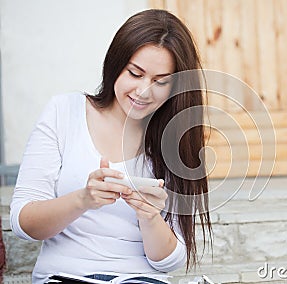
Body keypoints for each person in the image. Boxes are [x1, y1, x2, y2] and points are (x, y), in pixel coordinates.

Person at [10, 9, 212, 283]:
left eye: (160, 81)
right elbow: (23, 222)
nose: (144, 91)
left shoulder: (176, 140)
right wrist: (83, 199)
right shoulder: (64, 112)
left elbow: (170, 261)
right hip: (66, 275)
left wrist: (150, 217)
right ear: (116, 64)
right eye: (135, 73)